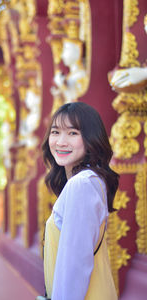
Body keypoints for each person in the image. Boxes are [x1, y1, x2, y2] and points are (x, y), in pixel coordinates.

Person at [36, 102, 119, 300]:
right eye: (55, 132)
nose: (61, 142)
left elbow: (74, 267)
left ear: (91, 138)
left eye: (73, 133)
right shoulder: (90, 181)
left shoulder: (82, 185)